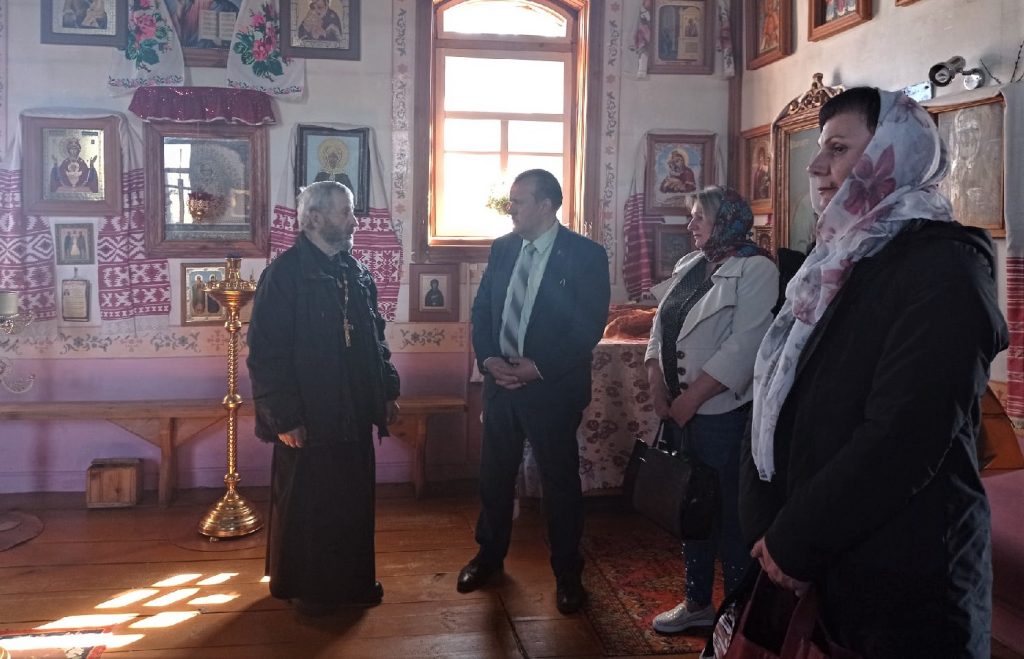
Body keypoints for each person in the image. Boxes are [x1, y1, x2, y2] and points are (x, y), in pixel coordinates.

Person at [743, 87, 1008, 658]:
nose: (816, 166)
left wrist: (795, 539)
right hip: (822, 554)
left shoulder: (945, 269)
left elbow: (903, 437)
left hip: (904, 574)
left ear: (896, 153)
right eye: (821, 148)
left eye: (838, 149)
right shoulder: (835, 258)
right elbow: (782, 393)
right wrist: (768, 523)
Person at [457, 169, 610, 615]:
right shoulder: (503, 248)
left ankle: (567, 573)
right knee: (494, 476)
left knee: (559, 483)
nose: (511, 209)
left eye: (518, 201)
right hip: (501, 385)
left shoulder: (585, 255)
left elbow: (588, 326)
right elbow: (483, 310)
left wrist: (537, 368)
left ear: (546, 205)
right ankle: (489, 557)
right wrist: (489, 360)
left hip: (552, 389)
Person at [247, 180, 401, 617]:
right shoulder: (284, 276)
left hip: (354, 412)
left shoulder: (356, 272)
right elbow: (267, 355)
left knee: (352, 502)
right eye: (345, 212)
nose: (355, 222)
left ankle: (352, 583)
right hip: (308, 418)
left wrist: (387, 390)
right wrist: (284, 417)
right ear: (314, 218)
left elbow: (376, 340)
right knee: (308, 504)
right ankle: (307, 589)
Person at [645, 187, 778, 634]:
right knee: (693, 509)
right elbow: (660, 327)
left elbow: (745, 345)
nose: (691, 225)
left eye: (699, 216)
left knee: (729, 517)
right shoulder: (691, 264)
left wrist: (692, 399)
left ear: (726, 219)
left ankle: (738, 616)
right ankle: (698, 603)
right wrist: (657, 385)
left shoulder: (757, 268)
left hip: (722, 416)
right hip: (679, 412)